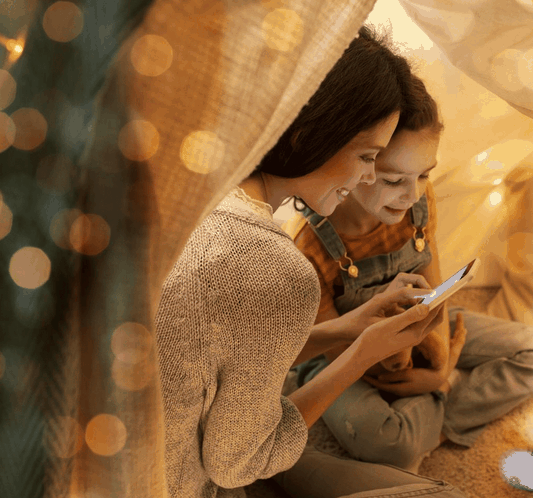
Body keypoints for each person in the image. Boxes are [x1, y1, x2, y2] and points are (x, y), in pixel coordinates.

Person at [154, 27, 457, 498]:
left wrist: (350, 327)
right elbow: (236, 465)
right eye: (368, 156)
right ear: (312, 135)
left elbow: (217, 351)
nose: (369, 176)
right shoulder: (275, 265)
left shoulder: (189, 190)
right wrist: (361, 355)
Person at [282, 67, 533, 476]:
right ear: (357, 165)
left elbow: (436, 283)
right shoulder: (308, 244)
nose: (412, 194)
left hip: (420, 327)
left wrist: (441, 367)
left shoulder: (417, 201)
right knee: (390, 443)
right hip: (351, 358)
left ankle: (432, 422)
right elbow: (339, 348)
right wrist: (413, 369)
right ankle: (425, 424)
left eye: (424, 174)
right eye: (394, 179)